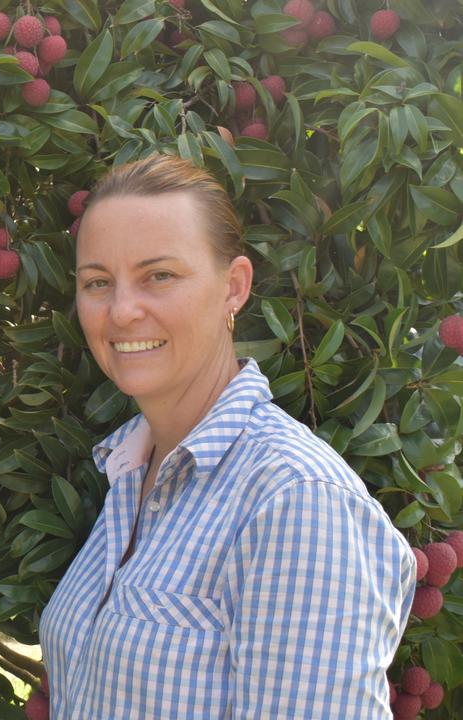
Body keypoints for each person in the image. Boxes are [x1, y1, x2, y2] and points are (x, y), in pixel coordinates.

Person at [38, 154, 415, 718]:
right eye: (98, 282)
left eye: (158, 275)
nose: (121, 311)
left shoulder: (295, 500)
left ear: (234, 287)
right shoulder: (130, 472)